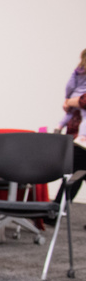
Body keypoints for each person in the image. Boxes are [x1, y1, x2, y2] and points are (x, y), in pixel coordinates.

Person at [58, 48, 86, 201]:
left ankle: (56, 212)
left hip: (81, 139)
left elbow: (80, 99)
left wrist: (70, 101)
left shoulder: (78, 72)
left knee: (75, 173)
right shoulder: (78, 72)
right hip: (76, 135)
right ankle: (56, 211)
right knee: (75, 173)